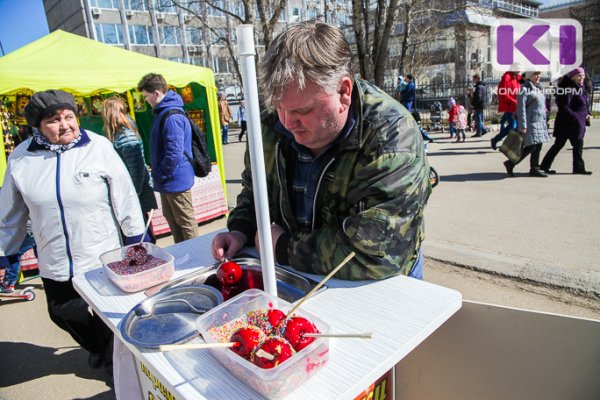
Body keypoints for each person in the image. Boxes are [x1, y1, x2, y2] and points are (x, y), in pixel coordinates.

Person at [211, 21, 431, 280]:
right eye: (280, 107)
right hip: (298, 274)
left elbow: (375, 254)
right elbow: (256, 191)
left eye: (303, 111)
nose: (288, 122)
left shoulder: (392, 138)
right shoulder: (270, 124)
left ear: (344, 92)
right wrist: (241, 229)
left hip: (378, 286)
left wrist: (284, 248)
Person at [0, 89, 147, 375]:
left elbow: (125, 193)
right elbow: (10, 211)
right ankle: (100, 347)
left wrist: (134, 237)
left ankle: (114, 362)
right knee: (62, 312)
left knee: (110, 314)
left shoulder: (98, 146)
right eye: (54, 120)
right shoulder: (21, 157)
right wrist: (4, 250)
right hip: (54, 256)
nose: (65, 124)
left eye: (69, 116)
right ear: (37, 126)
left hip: (101, 253)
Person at [137, 73, 198, 243]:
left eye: (146, 96)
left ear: (156, 93)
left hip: (175, 178)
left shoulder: (171, 116)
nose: (146, 100)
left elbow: (174, 153)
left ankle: (195, 254)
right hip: (169, 180)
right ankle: (183, 253)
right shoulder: (163, 113)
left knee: (185, 221)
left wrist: (162, 173)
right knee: (173, 220)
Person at [101, 97, 158, 241]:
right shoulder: (122, 133)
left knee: (141, 235)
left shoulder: (125, 135)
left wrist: (134, 191)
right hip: (134, 191)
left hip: (136, 192)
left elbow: (137, 167)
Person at [540, 67, 592, 175]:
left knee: (577, 145)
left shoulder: (580, 87)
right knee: (560, 145)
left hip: (577, 123)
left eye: (582, 75)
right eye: (579, 75)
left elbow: (585, 104)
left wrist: (588, 114)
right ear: (572, 76)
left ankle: (578, 168)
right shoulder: (567, 88)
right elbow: (564, 107)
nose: (581, 77)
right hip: (567, 123)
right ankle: (545, 166)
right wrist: (576, 118)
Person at [503, 71, 551, 177]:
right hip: (531, 122)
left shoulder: (538, 88)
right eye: (535, 74)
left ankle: (534, 168)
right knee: (531, 146)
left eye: (539, 74)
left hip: (540, 122)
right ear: (529, 76)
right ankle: (511, 163)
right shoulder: (524, 89)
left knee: (538, 146)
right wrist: (522, 125)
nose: (538, 76)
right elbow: (521, 109)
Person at [491, 66, 522, 150]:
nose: (519, 71)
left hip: (517, 106)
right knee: (512, 126)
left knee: (518, 127)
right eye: (517, 69)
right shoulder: (506, 78)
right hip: (510, 106)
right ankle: (496, 140)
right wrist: (514, 102)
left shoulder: (517, 78)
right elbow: (503, 94)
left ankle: (511, 145)